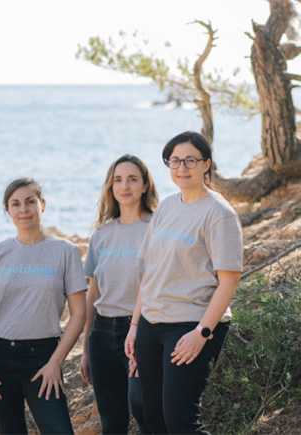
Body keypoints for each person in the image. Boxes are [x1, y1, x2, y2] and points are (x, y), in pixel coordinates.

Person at [125, 132, 243, 434]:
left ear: (206, 164)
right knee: (150, 415)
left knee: (180, 420)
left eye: (190, 160)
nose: (182, 167)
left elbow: (228, 283)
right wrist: (135, 326)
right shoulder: (166, 206)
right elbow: (150, 271)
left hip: (190, 325)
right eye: (174, 160)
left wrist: (202, 333)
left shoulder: (219, 215)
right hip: (152, 325)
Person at [0, 177, 87, 435]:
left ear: (42, 205)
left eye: (30, 202)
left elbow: (79, 313)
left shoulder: (65, 251)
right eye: (16, 204)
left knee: (59, 431)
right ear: (8, 211)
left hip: (42, 357)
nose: (24, 209)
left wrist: (56, 362)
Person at [80, 154, 158, 434]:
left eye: (133, 179)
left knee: (143, 408)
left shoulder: (157, 228)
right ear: (110, 187)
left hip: (141, 330)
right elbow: (93, 292)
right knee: (111, 421)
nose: (125, 186)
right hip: (102, 333)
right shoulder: (101, 235)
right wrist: (86, 348)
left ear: (145, 185)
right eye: (118, 180)